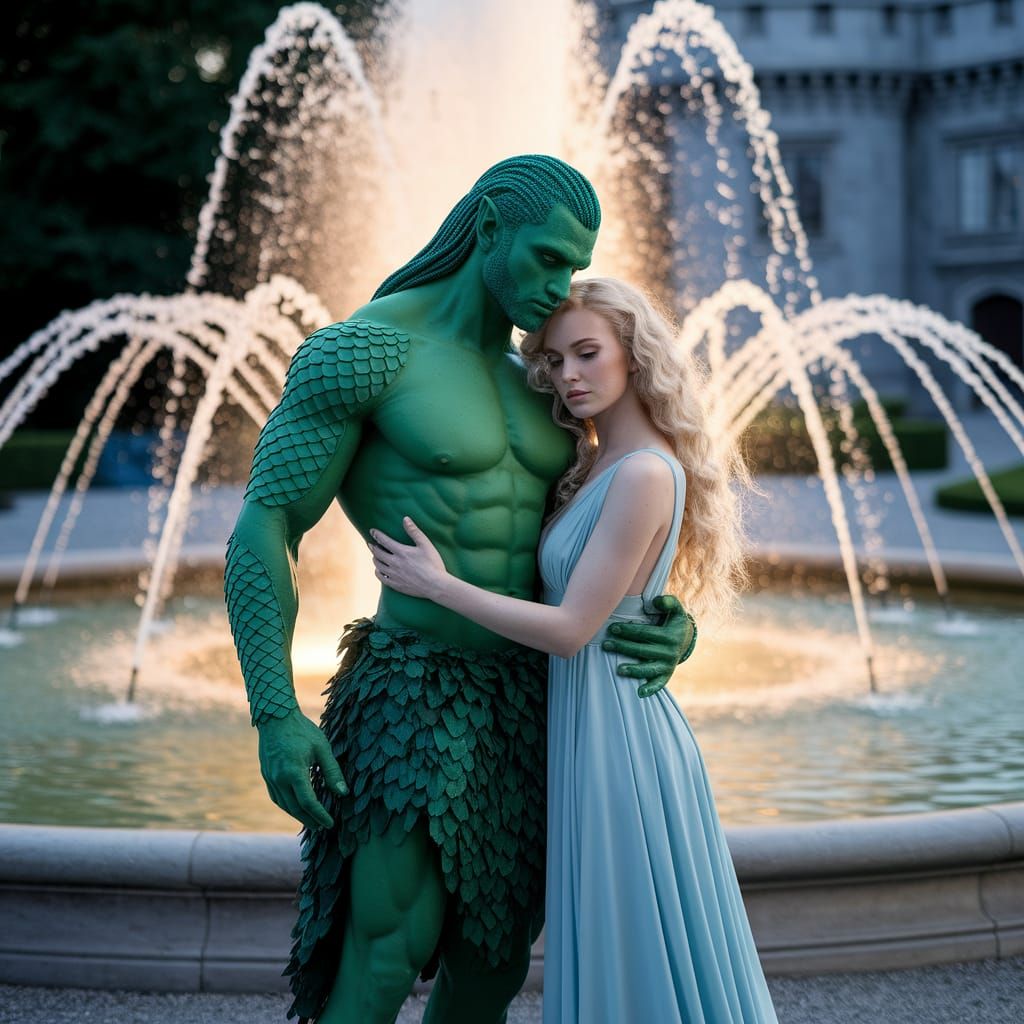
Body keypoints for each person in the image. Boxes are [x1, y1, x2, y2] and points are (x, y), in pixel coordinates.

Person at [223, 156, 697, 1024]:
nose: (563, 283)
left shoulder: (543, 376)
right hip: (412, 683)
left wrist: (665, 614)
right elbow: (265, 527)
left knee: (493, 963)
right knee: (384, 951)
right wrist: (273, 711)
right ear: (488, 230)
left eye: (575, 262)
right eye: (548, 258)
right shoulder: (364, 352)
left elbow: (601, 524)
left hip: (530, 696)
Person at [370, 277, 778, 1024]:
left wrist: (437, 584)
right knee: (616, 943)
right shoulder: (593, 462)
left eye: (587, 353)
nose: (568, 376)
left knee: (633, 946)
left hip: (620, 742)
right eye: (554, 361)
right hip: (589, 726)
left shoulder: (645, 472)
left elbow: (571, 629)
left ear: (635, 354)